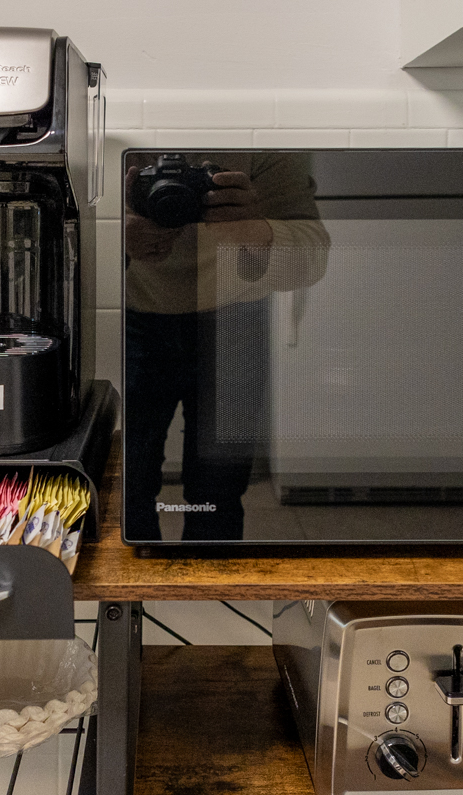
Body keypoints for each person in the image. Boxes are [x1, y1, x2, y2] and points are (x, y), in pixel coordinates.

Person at [121, 153, 329, 542]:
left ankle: (207, 592)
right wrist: (117, 235)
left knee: (218, 490)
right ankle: (130, 599)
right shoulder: (113, 125)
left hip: (236, 318)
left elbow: (312, 260)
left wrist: (256, 230)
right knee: (127, 483)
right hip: (134, 311)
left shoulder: (266, 135)